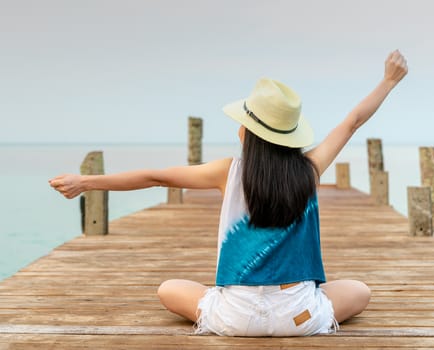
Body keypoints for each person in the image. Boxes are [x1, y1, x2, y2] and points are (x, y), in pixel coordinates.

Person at [49, 50, 408, 337]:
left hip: (235, 319)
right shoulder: (310, 170)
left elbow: (154, 176)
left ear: (249, 132)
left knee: (168, 289)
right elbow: (352, 122)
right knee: (360, 291)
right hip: (299, 317)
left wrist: (86, 182)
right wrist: (388, 81)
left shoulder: (227, 171)